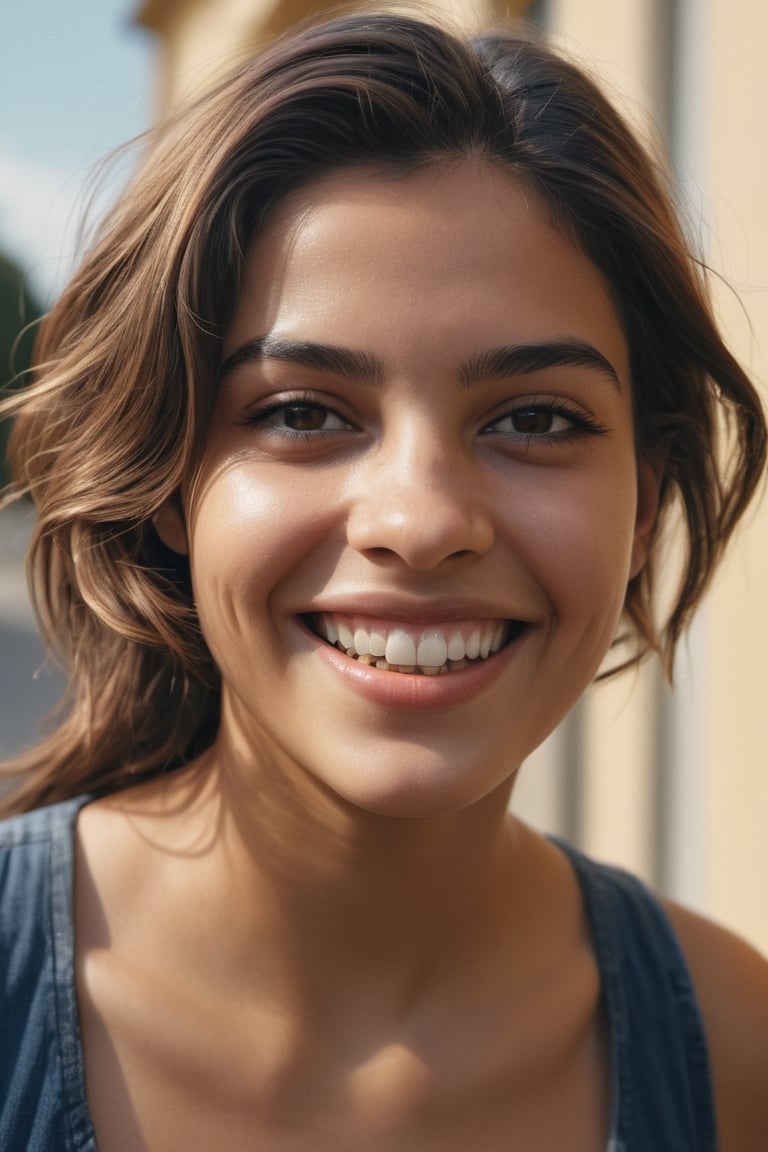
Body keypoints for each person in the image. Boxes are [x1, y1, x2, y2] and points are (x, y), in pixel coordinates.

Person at [1, 9, 767, 1150]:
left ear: (646, 501)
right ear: (170, 475)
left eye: (536, 418)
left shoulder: (736, 1046)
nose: (421, 522)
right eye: (302, 412)